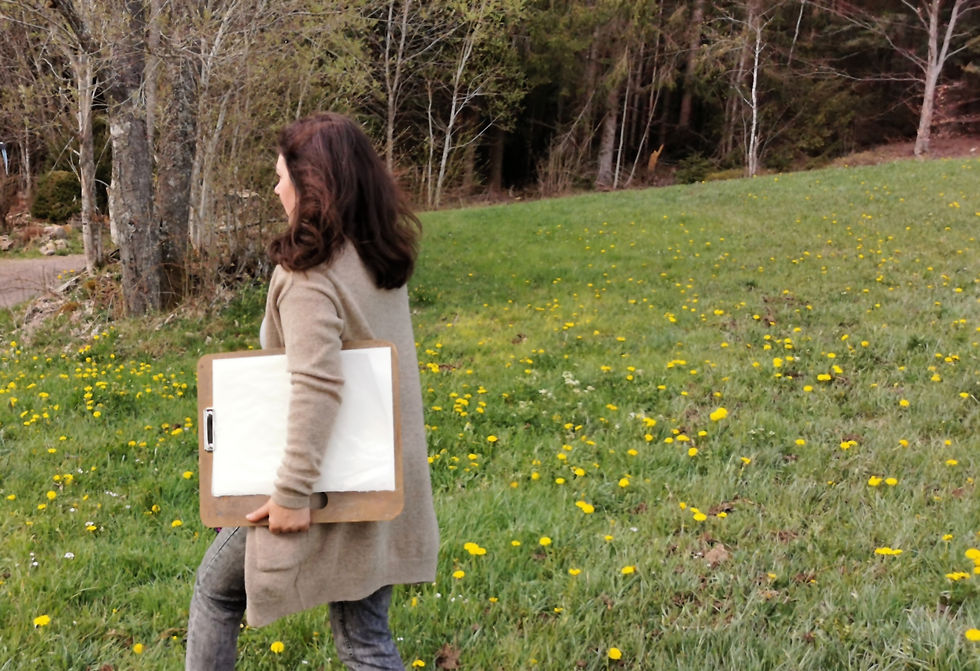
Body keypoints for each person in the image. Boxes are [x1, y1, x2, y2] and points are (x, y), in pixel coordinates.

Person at [186, 112, 439, 670]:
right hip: (379, 481)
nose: (276, 188)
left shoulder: (310, 275)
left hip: (324, 487)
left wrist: (292, 494)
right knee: (364, 635)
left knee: (216, 590)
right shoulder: (374, 258)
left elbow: (318, 384)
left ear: (311, 185)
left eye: (281, 177)